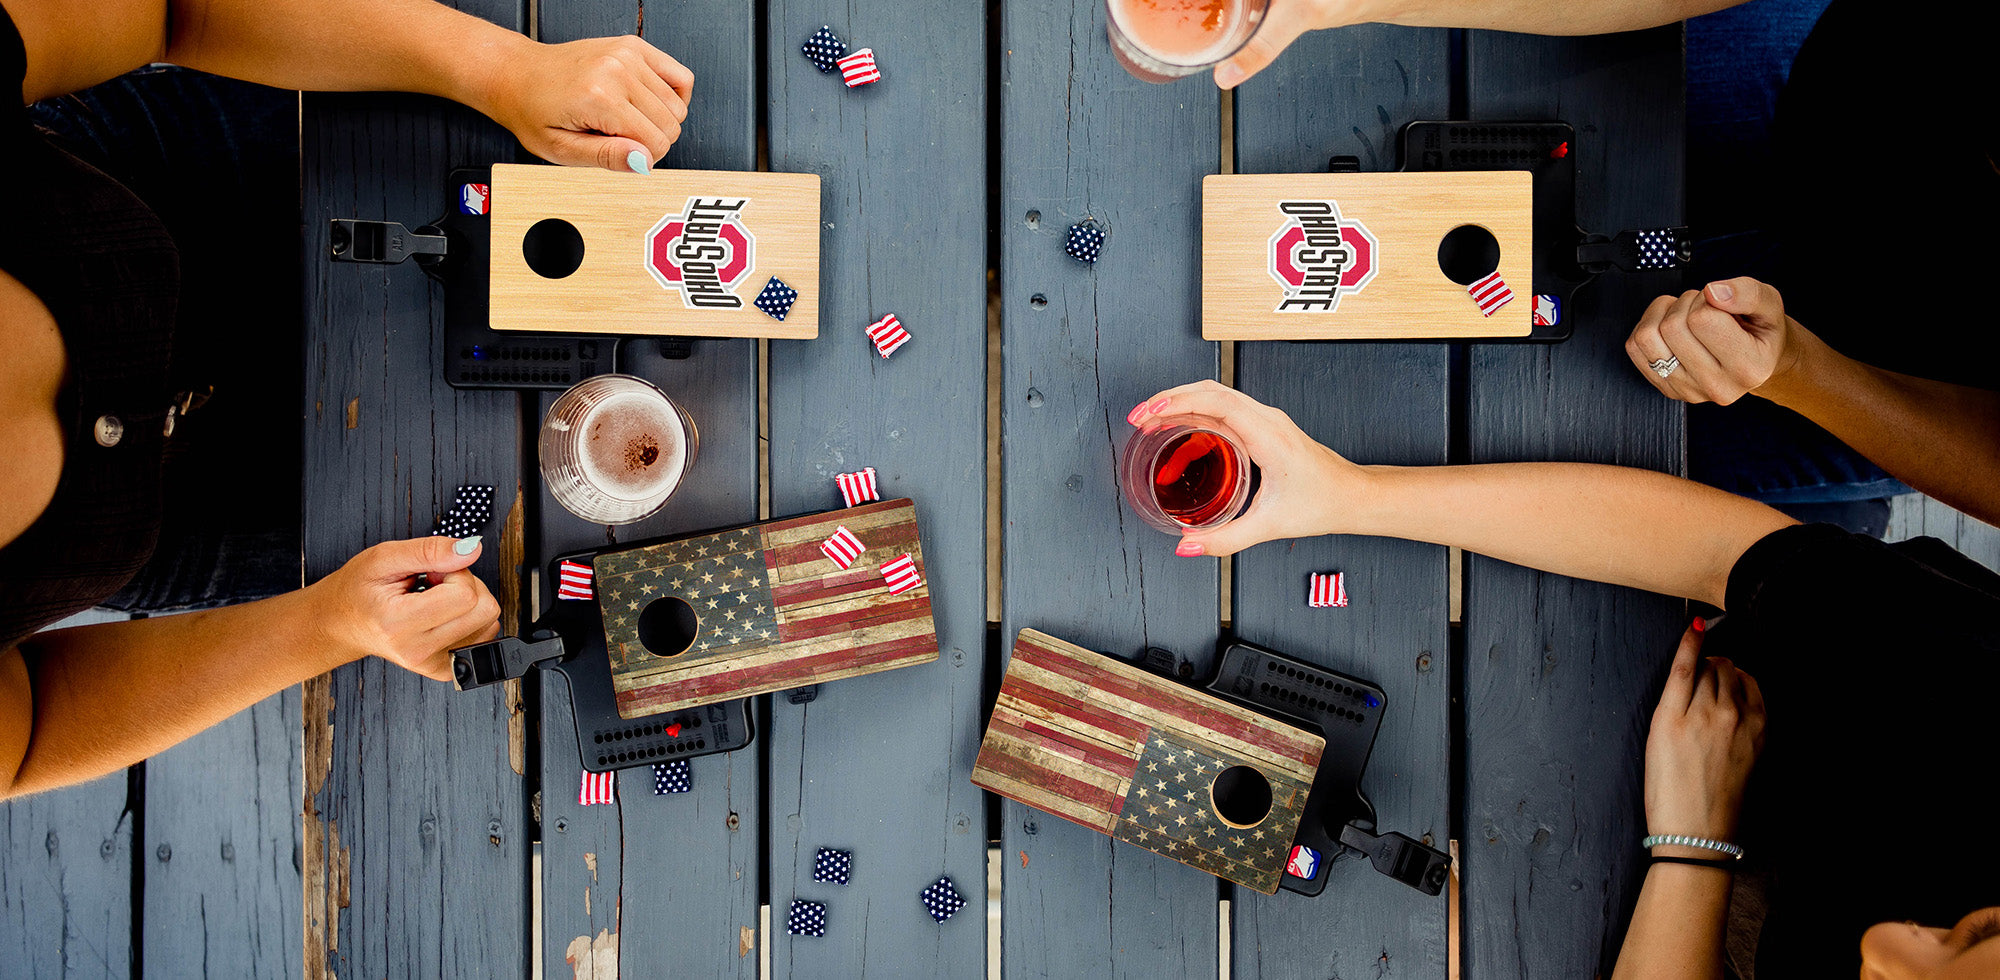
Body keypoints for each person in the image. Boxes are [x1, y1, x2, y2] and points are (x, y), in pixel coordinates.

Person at [0, 0, 694, 799]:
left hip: (205, 183)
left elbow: (173, 11)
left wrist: (505, 71)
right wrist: (329, 624)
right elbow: (28, 732)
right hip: (199, 512)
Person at [1129, 380, 2000, 976]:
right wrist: (1348, 494)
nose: (1886, 946)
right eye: (1980, 926)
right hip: (1751, 652)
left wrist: (1694, 846)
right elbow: (1719, 554)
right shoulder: (1966, 681)